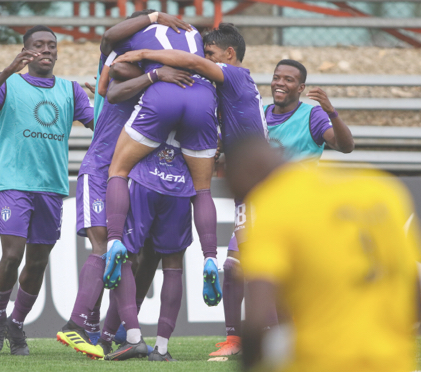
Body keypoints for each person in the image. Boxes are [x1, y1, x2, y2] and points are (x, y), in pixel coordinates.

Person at [113, 22, 268, 356]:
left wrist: (142, 54)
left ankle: (271, 341)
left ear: (228, 55)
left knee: (258, 265)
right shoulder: (230, 92)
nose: (202, 59)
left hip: (261, 190)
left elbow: (194, 64)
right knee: (237, 264)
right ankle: (242, 338)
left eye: (209, 54)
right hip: (249, 188)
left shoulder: (236, 75)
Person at [55, 11, 195, 360]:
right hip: (101, 169)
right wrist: (153, 19)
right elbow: (113, 65)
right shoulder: (122, 62)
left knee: (129, 256)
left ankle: (108, 335)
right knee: (105, 245)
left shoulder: (160, 80)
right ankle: (75, 323)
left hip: (132, 176)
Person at [225, 135, 421, 372]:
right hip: (394, 362)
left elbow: (258, 317)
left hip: (322, 362)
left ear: (247, 172)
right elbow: (418, 296)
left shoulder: (273, 205)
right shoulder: (380, 188)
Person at [0, 25, 94, 356]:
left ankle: (16, 325)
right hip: (14, 183)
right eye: (38, 44)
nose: (46, 49)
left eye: (51, 45)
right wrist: (8, 69)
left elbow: (99, 124)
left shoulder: (70, 90)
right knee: (12, 255)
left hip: (52, 186)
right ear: (26, 51)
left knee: (38, 262)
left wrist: (111, 96)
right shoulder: (8, 83)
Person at [102, 11, 222, 309]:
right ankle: (210, 257)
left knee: (118, 169)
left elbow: (112, 73)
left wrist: (152, 72)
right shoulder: (191, 30)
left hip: (163, 94)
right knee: (203, 190)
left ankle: (114, 240)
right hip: (203, 95)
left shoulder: (131, 35)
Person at [100, 132, 195, 362]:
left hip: (145, 178)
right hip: (180, 186)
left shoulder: (151, 94)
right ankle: (160, 349)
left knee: (125, 255)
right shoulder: (206, 97)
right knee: (172, 263)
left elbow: (112, 96)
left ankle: (130, 337)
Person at [266, 59, 354, 160]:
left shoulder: (313, 116)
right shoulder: (259, 113)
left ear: (300, 88)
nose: (280, 83)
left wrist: (331, 112)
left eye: (288, 80)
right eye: (276, 78)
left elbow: (346, 147)